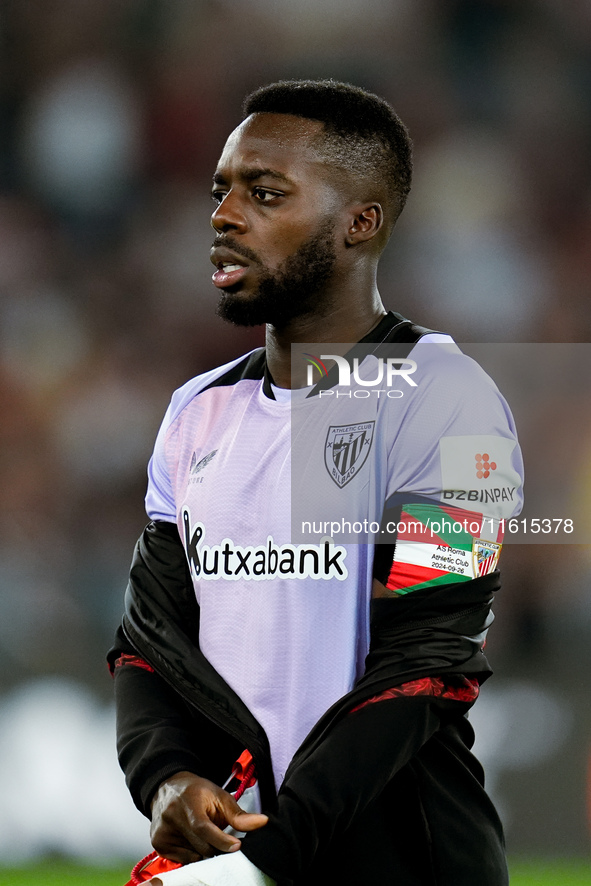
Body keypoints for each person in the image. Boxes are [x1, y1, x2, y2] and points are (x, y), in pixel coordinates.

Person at [109, 79, 524, 886]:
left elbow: (428, 659)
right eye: (221, 191)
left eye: (264, 194)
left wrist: (269, 861)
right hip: (241, 855)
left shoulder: (447, 399)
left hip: (402, 861)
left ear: (357, 223)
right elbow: (149, 645)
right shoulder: (197, 413)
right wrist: (165, 779)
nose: (224, 216)